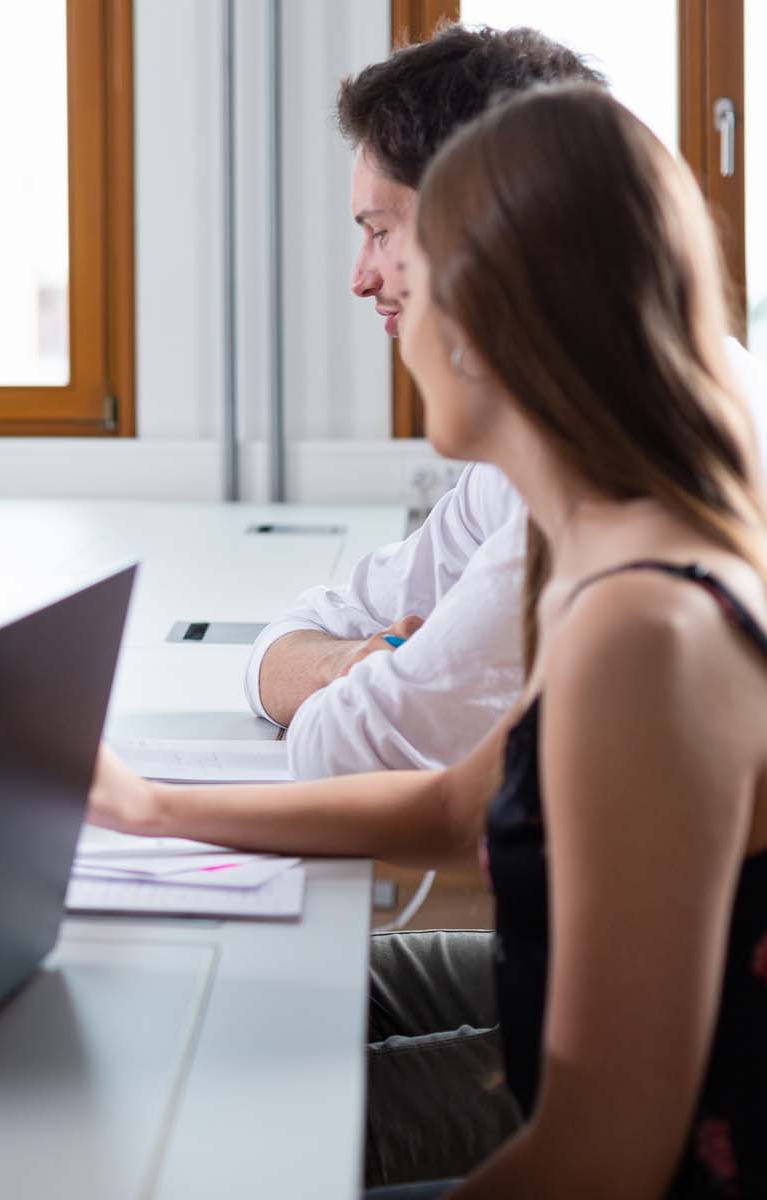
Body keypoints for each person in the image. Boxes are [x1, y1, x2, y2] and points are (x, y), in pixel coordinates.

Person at [92, 85, 767, 1197]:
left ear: (506, 316)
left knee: (197, 1130)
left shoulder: (642, 628)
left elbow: (599, 1160)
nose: (386, 297)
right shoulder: (598, 544)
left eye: (412, 268)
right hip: (579, 1027)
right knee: (201, 1018)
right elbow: (462, 804)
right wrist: (144, 807)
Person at [247, 24, 767, 780]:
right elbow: (334, 632)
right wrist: (349, 667)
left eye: (383, 233)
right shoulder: (570, 421)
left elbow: (351, 747)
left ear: (485, 233)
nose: (363, 279)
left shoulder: (605, 508)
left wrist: (375, 676)